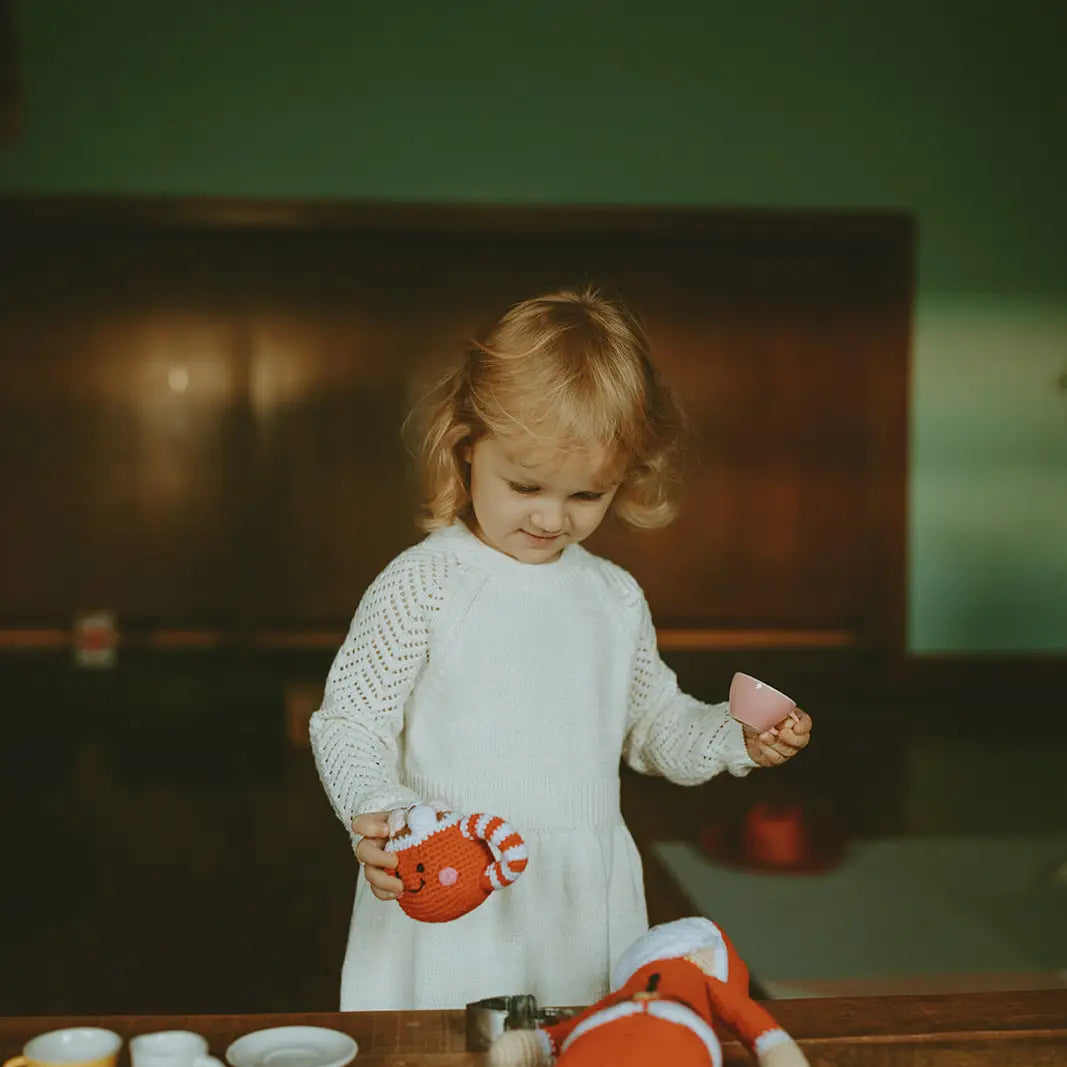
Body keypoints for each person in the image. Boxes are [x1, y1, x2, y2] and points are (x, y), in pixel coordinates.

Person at [309, 288, 812, 1011]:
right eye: (525, 484)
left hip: (578, 903)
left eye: (586, 494)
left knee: (577, 1042)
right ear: (466, 445)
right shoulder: (423, 584)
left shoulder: (612, 598)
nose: (551, 516)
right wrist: (386, 813)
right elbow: (349, 720)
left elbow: (655, 726)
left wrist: (734, 734)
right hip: (451, 888)